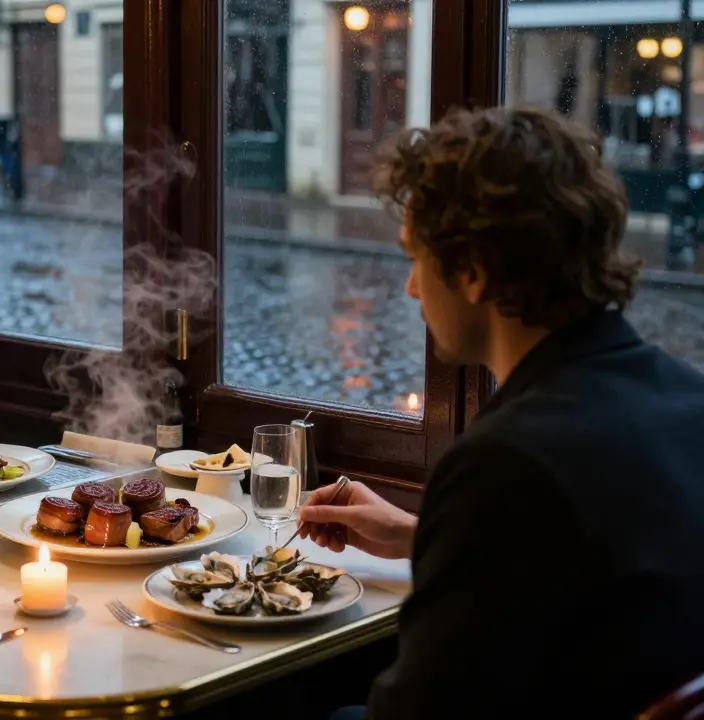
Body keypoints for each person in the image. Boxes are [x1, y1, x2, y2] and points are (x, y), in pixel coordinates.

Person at [299, 106, 704, 719]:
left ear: (475, 272)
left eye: (416, 258)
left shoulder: (508, 462)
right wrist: (421, 535)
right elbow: (607, 573)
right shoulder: (686, 398)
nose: (410, 289)